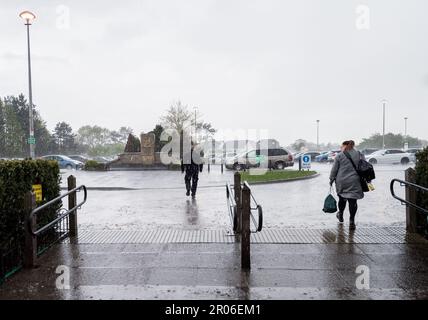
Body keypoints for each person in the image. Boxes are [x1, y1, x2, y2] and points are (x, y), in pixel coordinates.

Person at [329, 140, 364, 230]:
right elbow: (364, 166)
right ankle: (352, 220)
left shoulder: (340, 155)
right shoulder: (359, 154)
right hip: (355, 181)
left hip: (342, 181)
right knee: (353, 201)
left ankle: (340, 214)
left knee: (342, 198)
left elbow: (334, 169)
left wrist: (331, 179)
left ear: (345, 146)